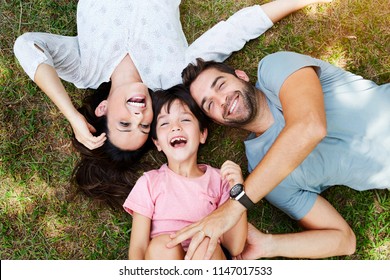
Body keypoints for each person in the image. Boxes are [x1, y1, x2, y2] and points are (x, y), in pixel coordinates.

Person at [13, 0, 333, 207]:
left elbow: (28, 45)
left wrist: (70, 113)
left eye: (125, 121)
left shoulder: (84, 69)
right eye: (144, 125)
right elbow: (234, 32)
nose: (140, 113)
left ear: (103, 109)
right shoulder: (172, 76)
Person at [166, 51, 390, 259]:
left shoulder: (274, 68)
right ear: (216, 121)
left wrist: (235, 207)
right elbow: (343, 240)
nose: (221, 100)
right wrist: (267, 245)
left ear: (241, 75)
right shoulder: (265, 179)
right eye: (209, 105)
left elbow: (310, 126)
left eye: (221, 85)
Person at [123, 85, 247, 259]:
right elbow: (139, 248)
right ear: (157, 143)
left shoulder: (221, 180)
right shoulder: (149, 183)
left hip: (206, 258)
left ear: (202, 134)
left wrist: (238, 191)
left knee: (204, 244)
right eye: (165, 123)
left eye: (185, 120)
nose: (175, 127)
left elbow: (234, 246)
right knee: (162, 245)